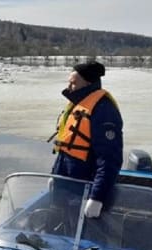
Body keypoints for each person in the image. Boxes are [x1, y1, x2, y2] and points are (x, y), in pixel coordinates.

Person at [49, 60, 123, 218]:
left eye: (73, 83)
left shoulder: (104, 111)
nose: (68, 87)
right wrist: (55, 177)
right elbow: (66, 152)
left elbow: (109, 159)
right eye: (69, 82)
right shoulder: (77, 104)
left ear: (88, 83)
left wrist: (97, 197)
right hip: (65, 183)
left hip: (84, 188)